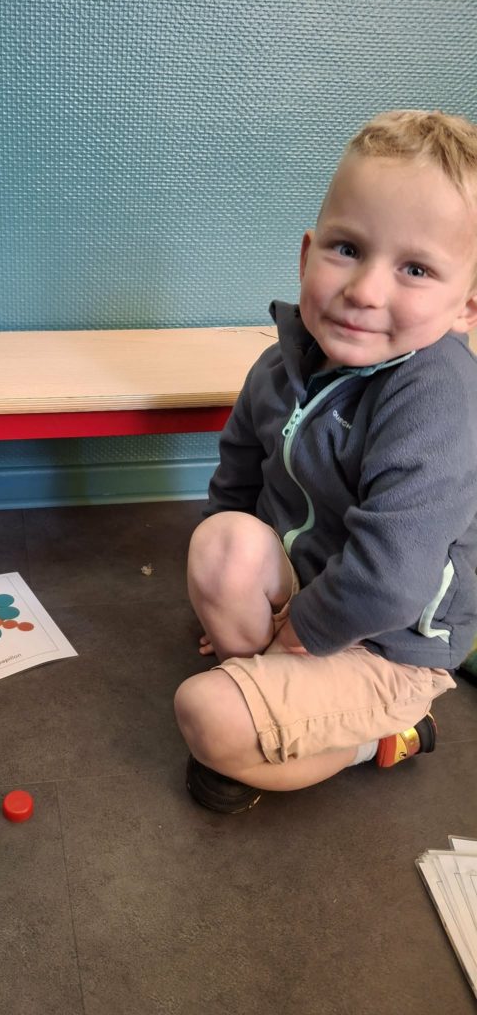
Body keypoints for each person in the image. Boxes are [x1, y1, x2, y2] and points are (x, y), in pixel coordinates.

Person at [173, 109, 477, 814]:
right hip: (310, 594)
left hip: (390, 644)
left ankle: (387, 734)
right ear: (307, 255)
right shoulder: (278, 367)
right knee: (218, 545)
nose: (365, 291)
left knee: (205, 718)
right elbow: (235, 486)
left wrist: (298, 633)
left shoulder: (436, 398)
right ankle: (278, 696)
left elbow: (391, 579)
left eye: (415, 269)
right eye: (347, 248)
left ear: (467, 307)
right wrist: (261, 613)